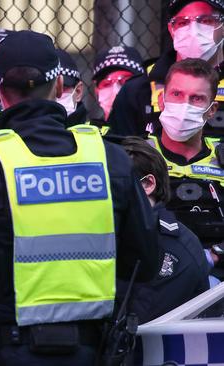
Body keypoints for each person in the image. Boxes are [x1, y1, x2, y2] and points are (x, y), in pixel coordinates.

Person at [0, 30, 159, 365]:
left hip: (3, 347)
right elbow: (146, 263)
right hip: (91, 349)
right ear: (59, 86)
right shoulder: (110, 160)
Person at [120, 136, 210, 324]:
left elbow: (141, 319)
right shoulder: (113, 231)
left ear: (147, 184)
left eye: (114, 182)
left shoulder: (177, 248)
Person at [144, 58, 224, 259]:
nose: (184, 105)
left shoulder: (220, 155)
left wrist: (216, 255)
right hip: (152, 273)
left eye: (196, 98)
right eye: (177, 94)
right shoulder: (136, 155)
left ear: (212, 110)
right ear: (162, 100)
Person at [109, 0, 224, 137]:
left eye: (206, 21)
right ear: (171, 29)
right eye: (183, 22)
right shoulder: (137, 90)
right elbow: (121, 152)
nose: (194, 31)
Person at [92, 45, 144, 123]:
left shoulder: (157, 130)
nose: (115, 91)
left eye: (125, 81)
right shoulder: (88, 133)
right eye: (107, 83)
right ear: (96, 91)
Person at [55, 48, 87, 127]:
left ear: (78, 92)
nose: (54, 96)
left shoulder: (95, 136)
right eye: (48, 89)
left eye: (62, 88)